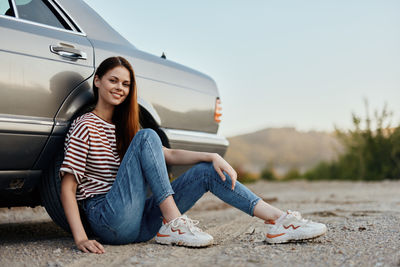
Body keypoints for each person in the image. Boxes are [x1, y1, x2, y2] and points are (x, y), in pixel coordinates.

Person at [60, 56, 327, 254]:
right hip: (107, 218)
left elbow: (168, 154)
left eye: (126, 84)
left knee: (206, 171)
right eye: (113, 80)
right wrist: (81, 237)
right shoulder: (85, 124)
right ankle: (174, 223)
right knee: (147, 136)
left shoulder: (127, 128)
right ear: (97, 81)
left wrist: (211, 156)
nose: (120, 87)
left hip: (139, 222)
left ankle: (279, 221)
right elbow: (68, 187)